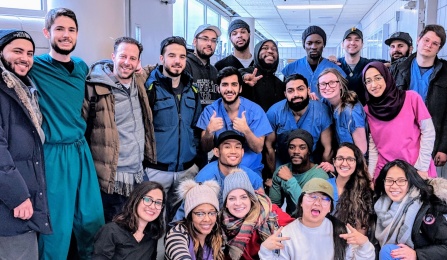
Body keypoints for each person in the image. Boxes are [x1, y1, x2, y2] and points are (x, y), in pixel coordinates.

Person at [29, 8, 105, 259]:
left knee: (92, 219)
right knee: (57, 226)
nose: (66, 35)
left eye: (71, 30)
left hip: (80, 149)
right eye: (59, 29)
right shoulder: (34, 66)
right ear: (46, 32)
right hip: (53, 152)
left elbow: (107, 72)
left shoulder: (82, 66)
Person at [83, 37, 156, 223]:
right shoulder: (94, 87)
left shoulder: (138, 81)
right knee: (114, 231)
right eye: (123, 56)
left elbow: (154, 68)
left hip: (138, 172)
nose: (127, 62)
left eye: (133, 58)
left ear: (138, 62)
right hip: (112, 178)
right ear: (113, 57)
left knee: (139, 227)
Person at [0, 29, 51, 260]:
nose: (25, 58)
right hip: (10, 205)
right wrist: (18, 196)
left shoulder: (24, 90)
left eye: (30, 53)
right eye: (17, 51)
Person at [144, 36, 202, 222]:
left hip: (186, 171)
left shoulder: (192, 91)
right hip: (156, 171)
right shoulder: (149, 88)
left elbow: (195, 130)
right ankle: (157, 253)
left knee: (181, 222)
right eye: (172, 56)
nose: (177, 61)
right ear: (162, 59)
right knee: (153, 223)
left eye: (182, 56)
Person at [259, 178, 376, 259]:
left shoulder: (342, 232)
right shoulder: (286, 234)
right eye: (312, 196)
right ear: (301, 202)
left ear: (330, 208)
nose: (317, 202)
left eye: (324, 199)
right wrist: (265, 250)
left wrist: (364, 245)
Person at [362, 61, 436, 180]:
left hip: (416, 167)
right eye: (368, 81)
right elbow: (374, 146)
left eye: (378, 78)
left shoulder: (411, 98)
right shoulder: (367, 110)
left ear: (387, 77)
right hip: (386, 173)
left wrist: (422, 168)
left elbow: (428, 132)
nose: (373, 85)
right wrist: (370, 177)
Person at [391, 25, 447, 178]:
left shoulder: (445, 73)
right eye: (426, 40)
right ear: (418, 40)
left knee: (426, 182)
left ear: (439, 48)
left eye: (435, 43)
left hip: (431, 138)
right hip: (402, 135)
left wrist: (443, 147)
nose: (429, 45)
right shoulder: (398, 68)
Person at [172, 130, 264, 222]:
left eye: (237, 147)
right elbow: (187, 212)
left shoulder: (249, 174)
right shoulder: (206, 177)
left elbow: (263, 203)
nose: (233, 151)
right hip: (210, 224)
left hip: (238, 224)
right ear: (216, 152)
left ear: (242, 152)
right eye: (227, 147)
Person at [197, 66, 272, 176]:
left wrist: (246, 130)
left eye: (234, 84)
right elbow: (205, 148)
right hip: (221, 168)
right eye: (224, 84)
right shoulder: (211, 111)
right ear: (218, 89)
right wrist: (209, 131)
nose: (229, 89)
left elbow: (258, 148)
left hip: (249, 169)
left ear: (240, 88)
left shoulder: (254, 111)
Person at [374, 159, 447, 260]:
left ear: (411, 181)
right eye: (389, 180)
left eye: (401, 181)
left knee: (388, 251)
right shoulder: (380, 205)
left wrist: (417, 255)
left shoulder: (426, 206)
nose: (394, 186)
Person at [265, 73, 332, 173]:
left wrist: (321, 175)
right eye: (290, 91)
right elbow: (268, 146)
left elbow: (328, 149)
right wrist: (272, 176)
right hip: (283, 163)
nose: (296, 94)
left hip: (311, 162)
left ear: (308, 90)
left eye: (300, 89)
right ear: (285, 94)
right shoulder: (275, 112)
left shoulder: (321, 111)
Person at [221, 170, 289, 260]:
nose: (238, 203)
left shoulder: (270, 211)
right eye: (232, 198)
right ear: (226, 203)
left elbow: (297, 233)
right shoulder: (219, 224)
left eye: (244, 197)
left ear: (251, 198)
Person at [93, 181, 165, 259]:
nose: (152, 206)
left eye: (158, 203)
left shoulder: (152, 234)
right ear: (136, 200)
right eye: (148, 200)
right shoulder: (110, 231)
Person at [269, 129, 328, 215]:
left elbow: (309, 208)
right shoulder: (281, 171)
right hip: (290, 222)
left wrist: (290, 180)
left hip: (313, 222)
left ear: (309, 151)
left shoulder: (319, 175)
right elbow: (274, 207)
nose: (296, 151)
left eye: (302, 147)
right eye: (292, 147)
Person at [165, 180, 224, 260]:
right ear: (190, 215)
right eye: (200, 214)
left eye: (211, 213)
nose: (207, 219)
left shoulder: (217, 235)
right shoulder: (176, 235)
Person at [323, 143, 374, 235]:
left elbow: (361, 231)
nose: (344, 163)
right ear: (334, 162)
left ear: (356, 162)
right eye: (340, 158)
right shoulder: (324, 185)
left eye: (350, 159)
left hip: (350, 242)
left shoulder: (363, 190)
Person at [281, 25, 346, 97]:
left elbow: (343, 95)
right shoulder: (291, 68)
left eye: (318, 42)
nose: (314, 47)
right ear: (304, 45)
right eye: (309, 43)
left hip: (327, 108)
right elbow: (284, 95)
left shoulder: (334, 68)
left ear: (323, 44)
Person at [317, 68, 367, 154]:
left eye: (332, 83)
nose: (327, 87)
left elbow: (361, 150)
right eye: (323, 84)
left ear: (340, 85)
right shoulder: (325, 103)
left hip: (353, 160)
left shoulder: (352, 111)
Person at [240, 39, 285, 112]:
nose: (270, 51)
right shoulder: (248, 73)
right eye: (265, 48)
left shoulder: (279, 84)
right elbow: (237, 74)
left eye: (274, 49)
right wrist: (244, 77)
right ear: (257, 53)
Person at [185, 24, 221, 107]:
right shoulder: (185, 65)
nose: (209, 43)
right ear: (194, 41)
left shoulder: (214, 71)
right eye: (205, 39)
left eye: (213, 40)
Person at [337, 28, 372, 105]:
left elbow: (393, 63)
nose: (352, 42)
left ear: (362, 44)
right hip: (339, 111)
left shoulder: (370, 65)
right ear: (342, 44)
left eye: (357, 40)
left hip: (364, 111)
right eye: (349, 39)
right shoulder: (335, 65)